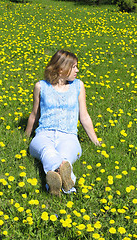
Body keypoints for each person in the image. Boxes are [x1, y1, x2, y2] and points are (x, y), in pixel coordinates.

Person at [25, 50, 101, 197]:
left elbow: (84, 116)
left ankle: (54, 185)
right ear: (61, 69)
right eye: (74, 67)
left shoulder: (78, 86)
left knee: (65, 156)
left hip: (69, 136)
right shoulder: (41, 87)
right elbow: (34, 114)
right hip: (44, 135)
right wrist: (26, 137)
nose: (77, 70)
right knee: (47, 150)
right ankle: (68, 184)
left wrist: (96, 141)